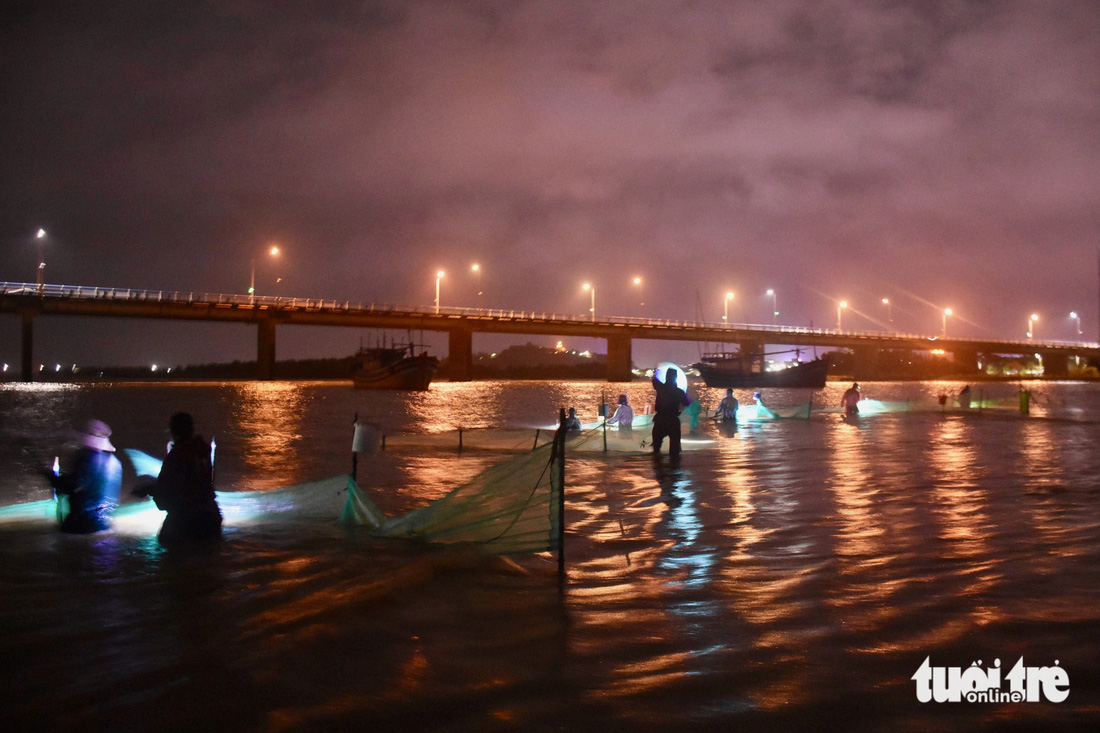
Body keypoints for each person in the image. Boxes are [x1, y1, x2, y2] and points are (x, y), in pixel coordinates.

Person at [133, 412, 222, 546]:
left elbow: (166, 498)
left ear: (173, 431)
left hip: (185, 523)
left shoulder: (176, 456)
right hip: (211, 517)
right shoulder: (203, 450)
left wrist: (149, 489)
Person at [44, 419, 122, 534]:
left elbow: (73, 485)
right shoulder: (115, 463)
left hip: (80, 526)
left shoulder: (87, 458)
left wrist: (51, 478)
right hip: (105, 526)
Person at [651, 367, 691, 457]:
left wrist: (656, 372)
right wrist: (687, 395)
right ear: (676, 378)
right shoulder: (679, 392)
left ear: (666, 377)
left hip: (660, 420)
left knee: (656, 448)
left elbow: (654, 380)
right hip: (673, 421)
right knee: (675, 450)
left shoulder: (660, 387)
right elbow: (687, 403)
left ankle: (657, 466)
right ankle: (674, 466)